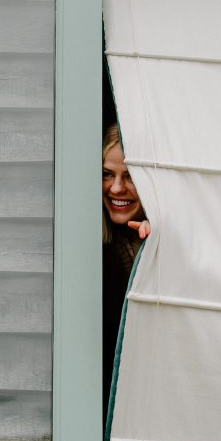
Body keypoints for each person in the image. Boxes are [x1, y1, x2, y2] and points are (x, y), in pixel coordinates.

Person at [102, 124, 150, 411]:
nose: (117, 188)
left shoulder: (162, 239)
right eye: (107, 174)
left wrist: (159, 250)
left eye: (131, 176)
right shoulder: (92, 251)